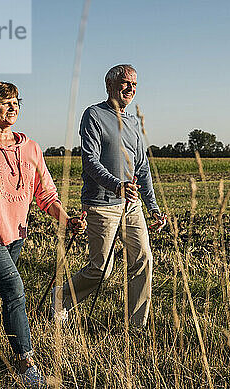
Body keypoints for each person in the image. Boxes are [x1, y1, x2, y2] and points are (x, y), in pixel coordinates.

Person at [0, 81, 86, 388]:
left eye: (16, 102)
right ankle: (25, 363)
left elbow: (46, 195)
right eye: (6, 102)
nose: (14, 107)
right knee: (14, 291)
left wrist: (67, 220)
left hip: (15, 234)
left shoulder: (31, 147)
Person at [52, 64, 166, 327]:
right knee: (101, 270)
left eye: (135, 84)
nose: (131, 88)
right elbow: (90, 161)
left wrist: (154, 208)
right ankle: (61, 298)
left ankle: (136, 326)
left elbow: (142, 167)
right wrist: (116, 186)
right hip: (101, 204)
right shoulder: (93, 115)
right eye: (126, 83)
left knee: (142, 260)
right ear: (110, 85)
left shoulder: (133, 122)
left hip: (131, 205)